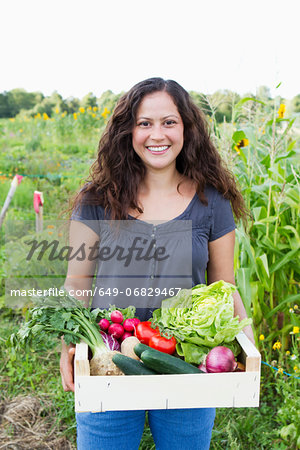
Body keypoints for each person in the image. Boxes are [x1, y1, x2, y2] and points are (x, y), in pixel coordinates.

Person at [60, 77, 254, 450]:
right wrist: (67, 345)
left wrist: (248, 353)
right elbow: (77, 283)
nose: (156, 134)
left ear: (187, 129)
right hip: (109, 359)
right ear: (128, 131)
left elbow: (224, 288)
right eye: (144, 123)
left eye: (169, 122)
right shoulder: (97, 200)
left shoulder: (211, 203)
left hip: (186, 362)